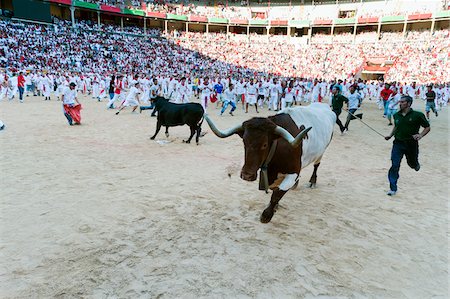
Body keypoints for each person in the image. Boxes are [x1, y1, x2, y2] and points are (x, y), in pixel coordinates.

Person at [384, 95, 430, 196]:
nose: (400, 103)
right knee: (395, 165)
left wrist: (420, 135)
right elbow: (396, 126)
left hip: (411, 144)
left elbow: (427, 127)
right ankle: (393, 188)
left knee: (411, 163)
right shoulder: (396, 115)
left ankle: (415, 164)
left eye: (402, 102)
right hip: (398, 143)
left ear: (409, 103)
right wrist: (390, 135)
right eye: (400, 102)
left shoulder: (417, 115)